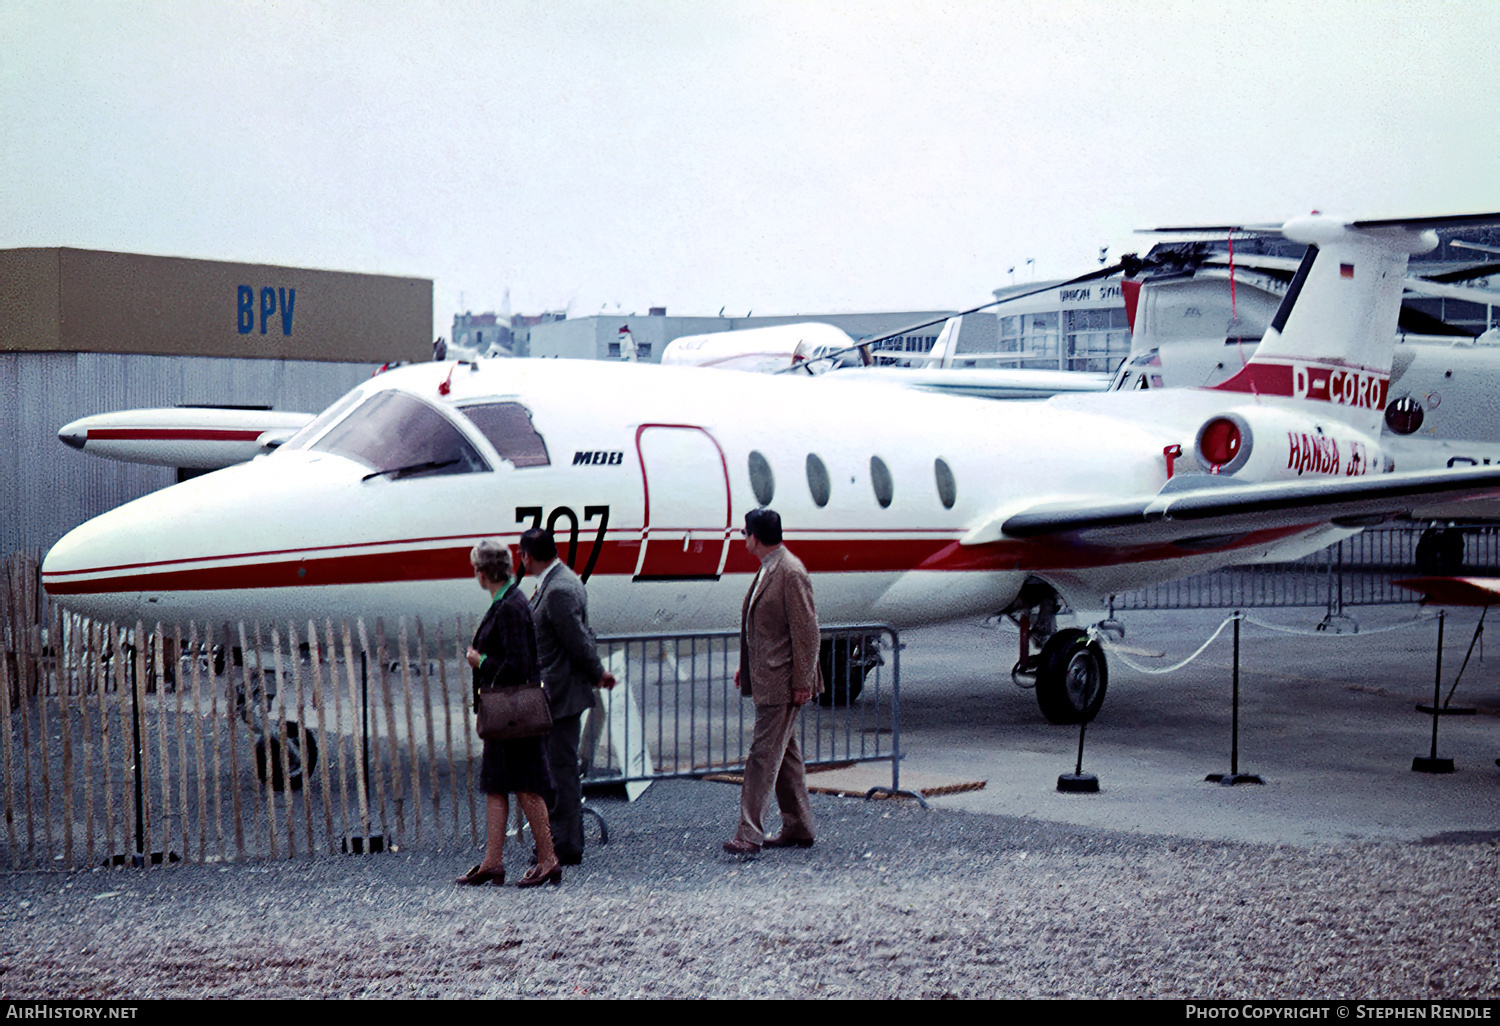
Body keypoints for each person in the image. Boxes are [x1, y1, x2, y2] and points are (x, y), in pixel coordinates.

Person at [456, 539, 563, 888]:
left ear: (484, 572)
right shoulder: (508, 602)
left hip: (514, 715)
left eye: (476, 568)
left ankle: (548, 859)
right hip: (507, 716)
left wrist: (480, 661)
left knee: (525, 787)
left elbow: (519, 666)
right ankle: (493, 862)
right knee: (498, 785)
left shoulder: (511, 607)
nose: (475, 574)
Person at [724, 507, 822, 855]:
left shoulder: (790, 572)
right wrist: (747, 667)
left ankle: (748, 835)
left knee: (762, 757)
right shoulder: (771, 568)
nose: (743, 539)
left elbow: (807, 633)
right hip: (771, 677)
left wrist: (802, 682)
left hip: (783, 683)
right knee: (786, 757)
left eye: (744, 533)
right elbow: (766, 629)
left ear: (754, 536)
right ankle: (799, 827)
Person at [519, 527, 616, 866]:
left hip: (560, 695)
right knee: (557, 769)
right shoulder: (561, 580)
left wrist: (597, 673)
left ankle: (565, 845)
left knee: (559, 771)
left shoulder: (558, 589)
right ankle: (560, 841)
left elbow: (577, 639)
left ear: (527, 556)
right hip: (559, 692)